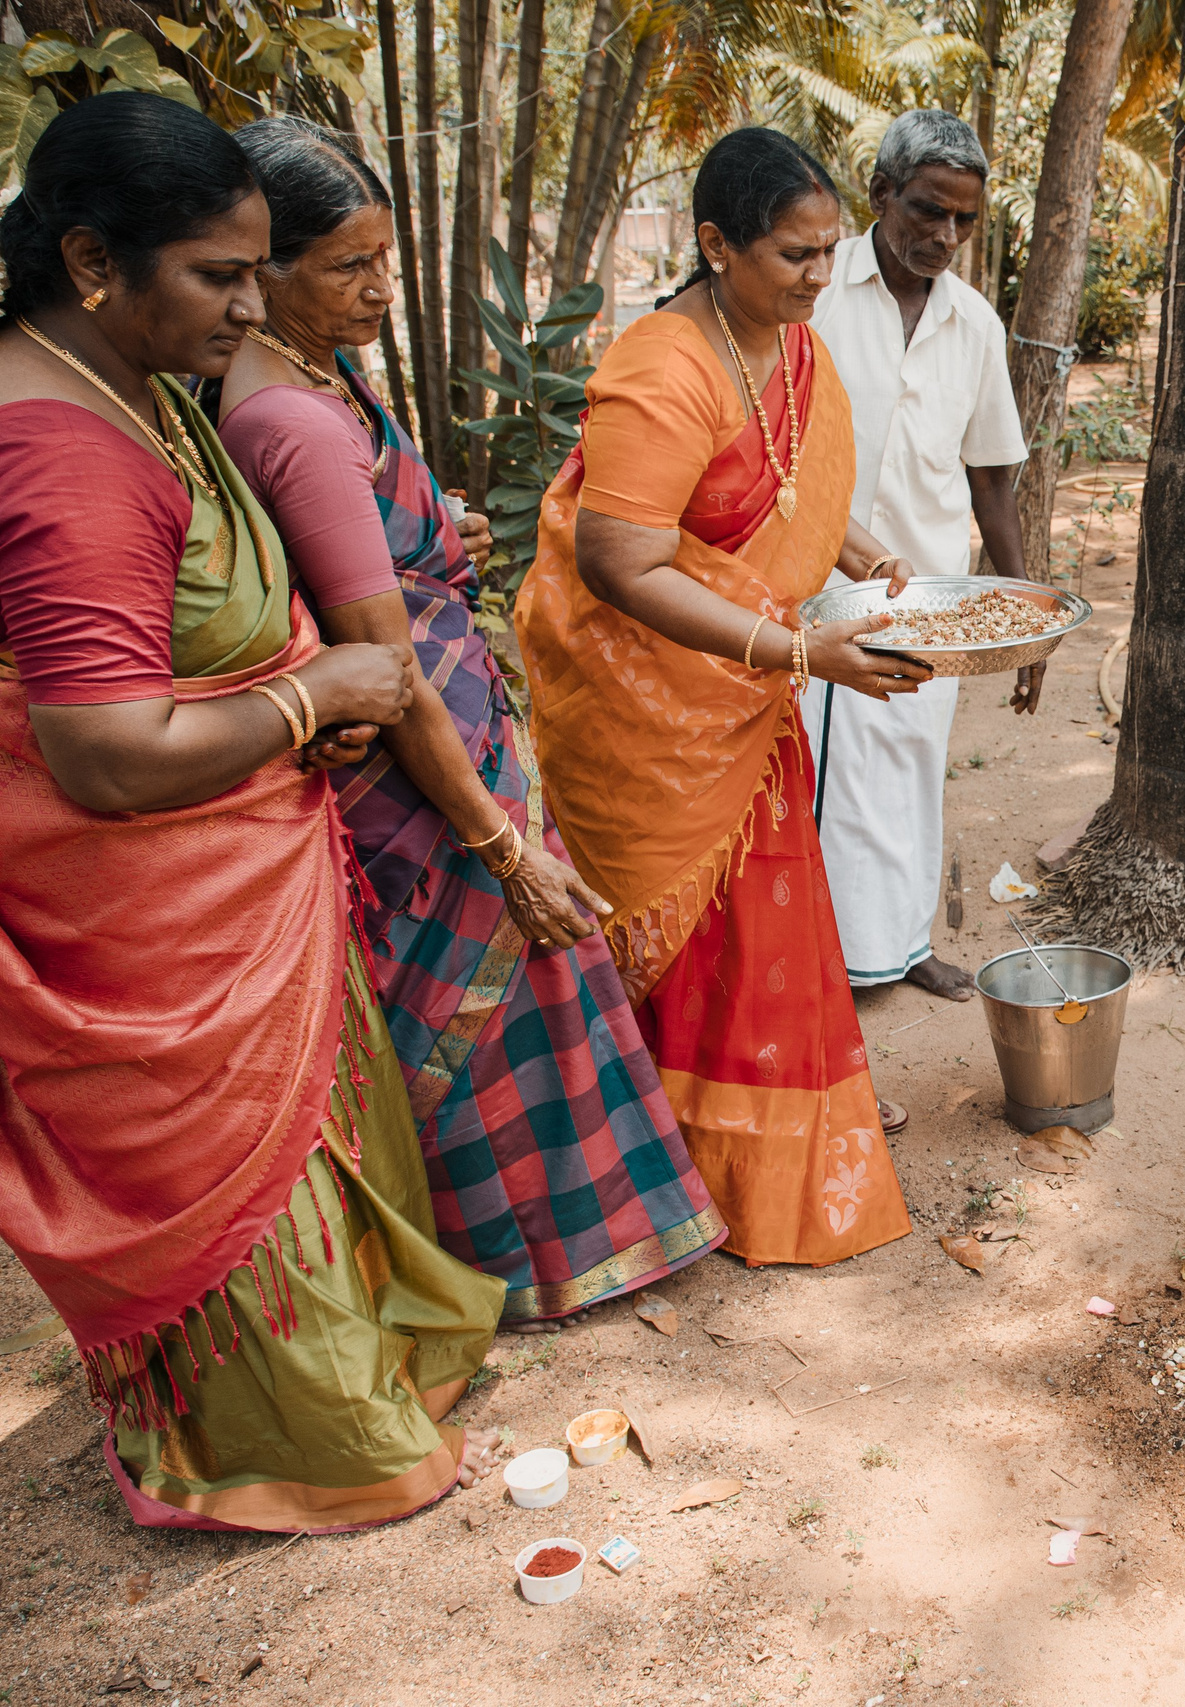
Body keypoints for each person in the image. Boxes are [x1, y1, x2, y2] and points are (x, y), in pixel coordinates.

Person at [0, 92, 504, 1529]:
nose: (250, 300)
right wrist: (318, 689)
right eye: (220, 274)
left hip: (233, 877)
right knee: (238, 1198)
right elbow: (101, 750)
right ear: (94, 263)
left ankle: (345, 1380)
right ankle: (286, 1439)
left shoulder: (124, 378)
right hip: (151, 922)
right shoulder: (62, 450)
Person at [214, 115, 727, 1328]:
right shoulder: (285, 417)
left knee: (526, 996)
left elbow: (359, 557)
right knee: (482, 1001)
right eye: (349, 268)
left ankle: (559, 1251)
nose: (380, 290)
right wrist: (500, 843)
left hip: (449, 733)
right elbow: (381, 664)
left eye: (385, 261)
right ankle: (513, 1264)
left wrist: (438, 530)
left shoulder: (318, 376)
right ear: (263, 271)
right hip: (419, 772)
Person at [514, 127, 918, 1266]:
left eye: (828, 252)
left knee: (763, 932)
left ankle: (754, 1167)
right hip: (651, 717)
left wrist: (863, 561)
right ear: (713, 243)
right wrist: (798, 652)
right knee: (682, 942)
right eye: (794, 253)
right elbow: (620, 564)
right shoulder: (663, 366)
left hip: (745, 697)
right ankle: (656, 1178)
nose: (816, 276)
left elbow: (792, 494)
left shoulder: (789, 346)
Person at [802, 109, 1033, 1014]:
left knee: (910, 763)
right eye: (928, 211)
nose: (945, 236)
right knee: (825, 778)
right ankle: (822, 955)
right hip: (816, 586)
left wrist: (1020, 612)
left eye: (964, 221)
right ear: (881, 194)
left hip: (930, 588)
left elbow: (991, 482)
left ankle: (904, 945)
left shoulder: (976, 326)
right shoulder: (813, 290)